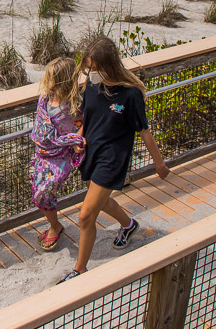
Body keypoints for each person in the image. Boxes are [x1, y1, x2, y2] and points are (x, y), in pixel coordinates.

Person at [58, 37, 170, 283]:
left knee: (86, 215)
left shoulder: (130, 96)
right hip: (91, 153)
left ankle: (79, 270)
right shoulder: (90, 85)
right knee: (102, 202)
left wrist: (159, 163)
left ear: (109, 66)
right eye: (89, 68)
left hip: (113, 158)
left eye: (95, 68)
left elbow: (144, 131)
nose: (91, 73)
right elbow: (88, 117)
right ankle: (129, 225)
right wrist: (79, 135)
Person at [30, 57, 86, 251]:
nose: (50, 84)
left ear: (65, 82)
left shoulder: (74, 106)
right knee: (39, 195)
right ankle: (55, 225)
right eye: (49, 79)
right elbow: (41, 122)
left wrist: (77, 140)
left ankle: (54, 226)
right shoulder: (44, 99)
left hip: (61, 155)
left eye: (56, 80)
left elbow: (82, 124)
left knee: (45, 191)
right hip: (43, 154)